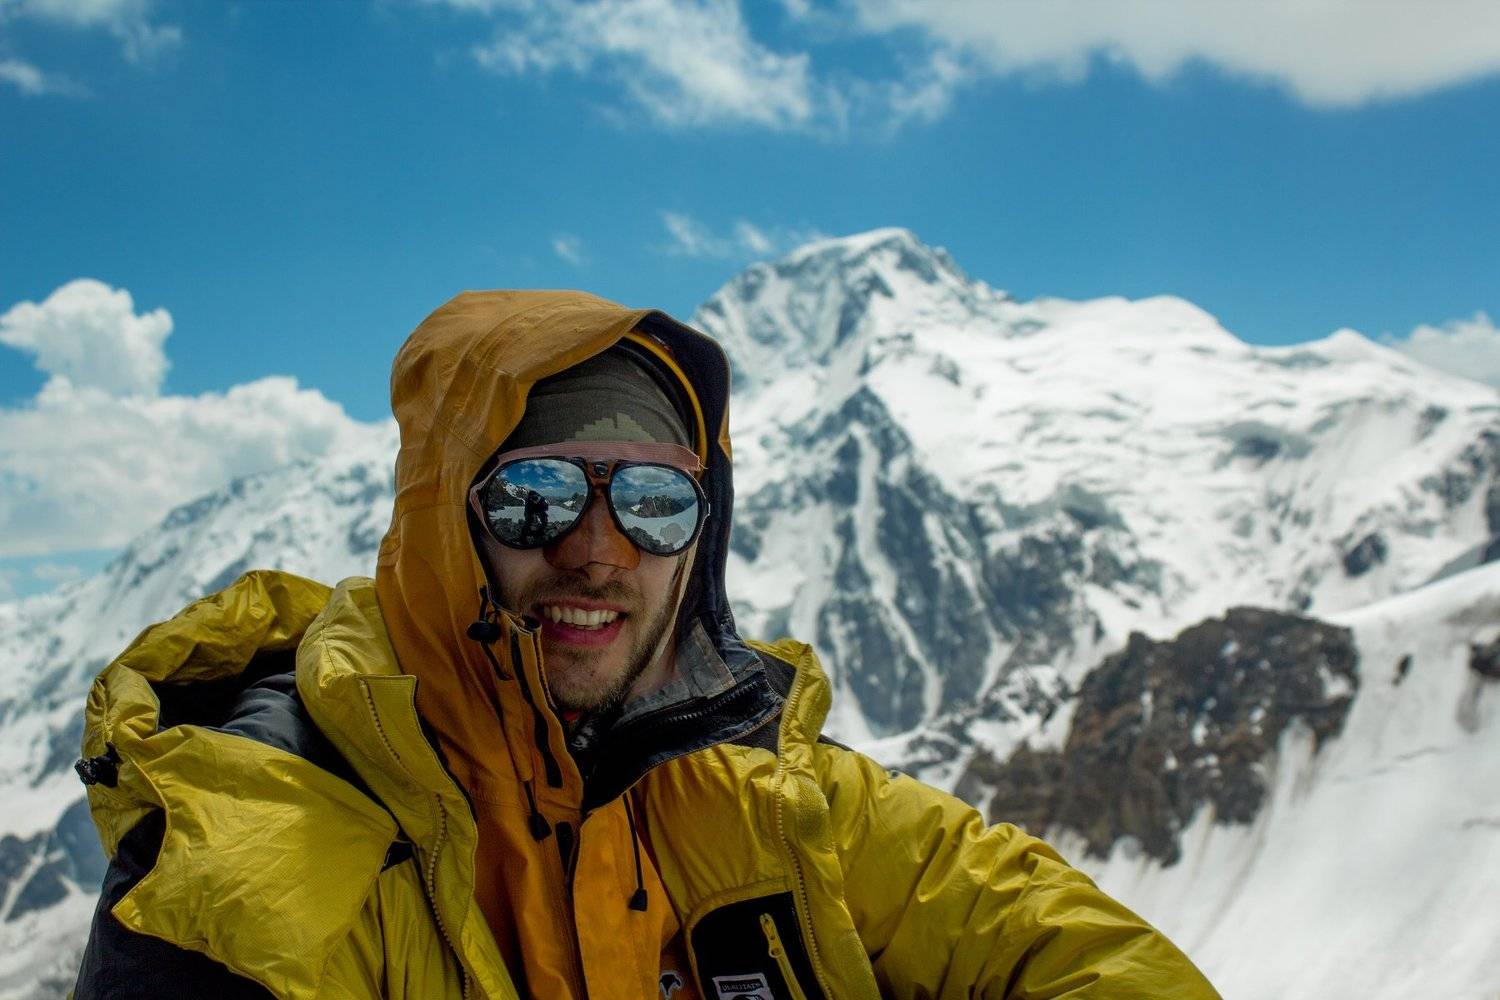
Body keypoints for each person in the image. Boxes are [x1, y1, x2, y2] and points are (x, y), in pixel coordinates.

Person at [72, 290, 1220, 998]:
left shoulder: (763, 790)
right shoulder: (256, 842)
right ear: (442, 524)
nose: (598, 550)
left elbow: (1065, 949)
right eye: (534, 495)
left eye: (655, 502)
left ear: (700, 538)